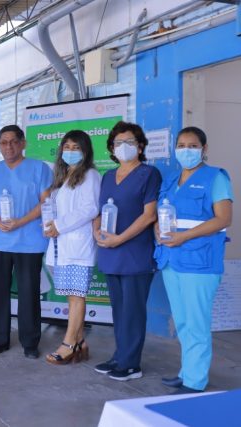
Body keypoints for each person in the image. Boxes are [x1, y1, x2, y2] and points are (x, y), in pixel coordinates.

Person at [155, 126, 233, 394]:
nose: (186, 150)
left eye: (192, 146)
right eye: (181, 145)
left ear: (204, 149)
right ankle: (187, 372)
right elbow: (161, 214)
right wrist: (158, 230)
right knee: (183, 320)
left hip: (200, 261)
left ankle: (195, 381)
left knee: (196, 322)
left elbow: (224, 218)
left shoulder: (215, 177)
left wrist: (185, 236)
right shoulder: (171, 180)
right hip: (171, 259)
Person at [92, 122, 161, 381]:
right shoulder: (108, 176)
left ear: (140, 146)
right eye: (118, 143)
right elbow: (99, 211)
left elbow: (149, 215)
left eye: (130, 142)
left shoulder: (149, 174)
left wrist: (120, 238)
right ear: (112, 148)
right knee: (119, 309)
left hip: (135, 252)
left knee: (133, 310)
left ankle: (131, 364)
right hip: (110, 251)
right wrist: (96, 231)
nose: (124, 147)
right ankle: (120, 356)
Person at [0, 125, 52, 359]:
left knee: (28, 292)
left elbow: (46, 202)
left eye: (13, 141)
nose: (8, 146)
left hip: (29, 241)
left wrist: (21, 221)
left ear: (23, 143)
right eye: (3, 142)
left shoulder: (39, 169)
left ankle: (30, 342)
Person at [43, 130, 100, 365]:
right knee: (72, 297)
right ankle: (80, 341)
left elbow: (90, 208)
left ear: (85, 151)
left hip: (78, 246)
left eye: (76, 147)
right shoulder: (64, 176)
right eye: (66, 147)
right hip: (61, 246)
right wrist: (51, 224)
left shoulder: (90, 175)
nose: (70, 151)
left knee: (77, 297)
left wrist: (59, 225)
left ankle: (69, 344)